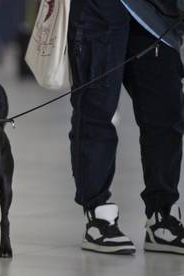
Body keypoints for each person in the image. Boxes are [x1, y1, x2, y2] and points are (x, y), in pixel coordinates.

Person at [68, 0, 184, 254]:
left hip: (158, 13)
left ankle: (162, 215)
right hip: (100, 7)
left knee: (166, 113)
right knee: (96, 109)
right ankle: (97, 214)